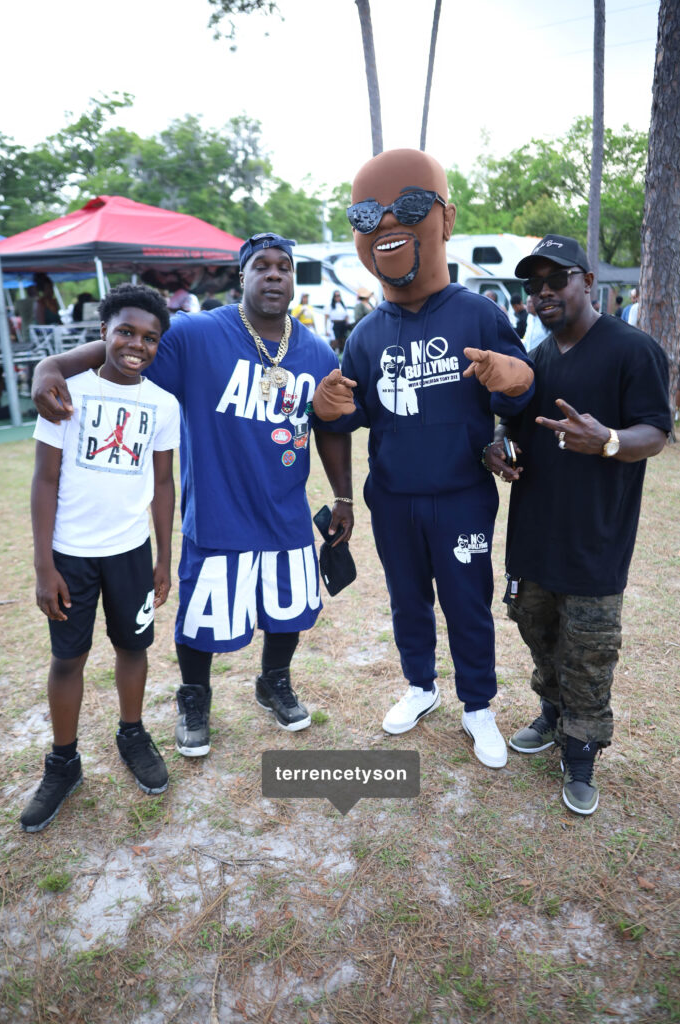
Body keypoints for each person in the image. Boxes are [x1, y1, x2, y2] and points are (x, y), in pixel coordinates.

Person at [31, 233, 353, 756]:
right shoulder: (198, 333)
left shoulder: (317, 351)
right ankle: (195, 696)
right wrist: (52, 367)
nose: (274, 274)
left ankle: (274, 681)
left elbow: (332, 426)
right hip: (220, 510)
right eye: (262, 266)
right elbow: (125, 348)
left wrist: (344, 497)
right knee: (202, 618)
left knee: (290, 608)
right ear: (242, 276)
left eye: (285, 266)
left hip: (285, 511)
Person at [312, 149, 535, 769]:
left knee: (467, 602)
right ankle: (420, 685)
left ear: (445, 218)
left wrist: (515, 378)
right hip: (394, 497)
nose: (387, 223)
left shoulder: (478, 313)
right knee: (407, 599)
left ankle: (478, 706)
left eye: (409, 207)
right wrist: (327, 409)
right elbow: (351, 413)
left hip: (461, 494)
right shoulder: (365, 334)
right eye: (367, 215)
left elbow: (520, 391)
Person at [484, 234, 670, 815]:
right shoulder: (535, 361)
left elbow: (655, 433)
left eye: (555, 279)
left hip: (596, 537)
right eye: (532, 284)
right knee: (536, 628)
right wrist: (500, 447)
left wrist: (608, 439)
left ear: (587, 282)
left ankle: (582, 751)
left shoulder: (632, 350)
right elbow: (516, 428)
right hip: (534, 533)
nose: (542, 292)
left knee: (588, 650)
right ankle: (553, 711)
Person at [21, 284, 181, 833]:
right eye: (126, 332)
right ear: (103, 334)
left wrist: (164, 556)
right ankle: (63, 761)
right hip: (70, 555)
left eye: (149, 338)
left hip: (131, 552)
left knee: (133, 647)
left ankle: (132, 733)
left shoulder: (163, 404)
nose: (137, 345)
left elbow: (164, 483)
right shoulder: (67, 392)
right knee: (68, 658)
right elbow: (44, 479)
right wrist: (43, 565)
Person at [324, 290, 350, 354]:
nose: (337, 297)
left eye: (338, 296)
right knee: (335, 342)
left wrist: (347, 323)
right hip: (335, 325)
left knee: (343, 342)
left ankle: (341, 355)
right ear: (333, 297)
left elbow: (346, 316)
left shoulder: (343, 305)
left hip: (343, 325)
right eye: (335, 296)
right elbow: (326, 318)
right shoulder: (330, 306)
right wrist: (326, 330)